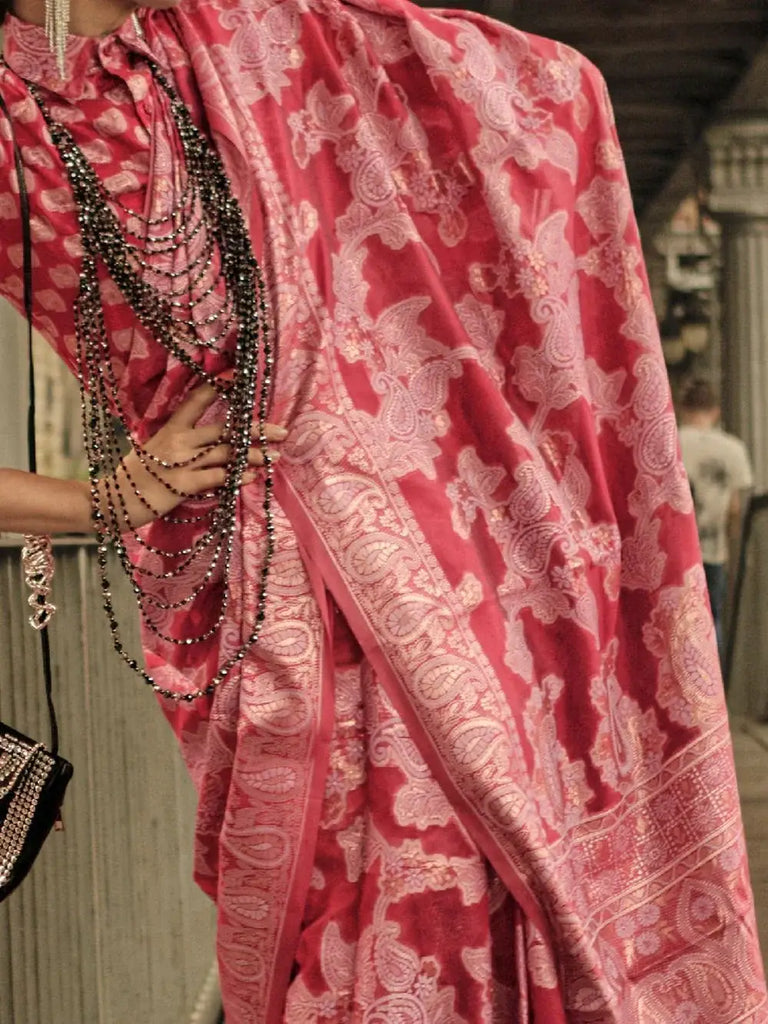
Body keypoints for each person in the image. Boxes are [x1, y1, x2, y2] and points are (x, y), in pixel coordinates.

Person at [1, 2, 766, 1022]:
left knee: (475, 880)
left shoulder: (263, 36)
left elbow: (554, 95)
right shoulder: (13, 116)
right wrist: (108, 496)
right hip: (247, 600)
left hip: (444, 563)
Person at [678, 376, 753, 659]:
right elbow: (736, 509)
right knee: (713, 618)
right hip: (714, 548)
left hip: (677, 550)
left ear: (682, 407)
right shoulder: (733, 449)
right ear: (715, 410)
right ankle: (713, 689)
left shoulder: (672, 441)